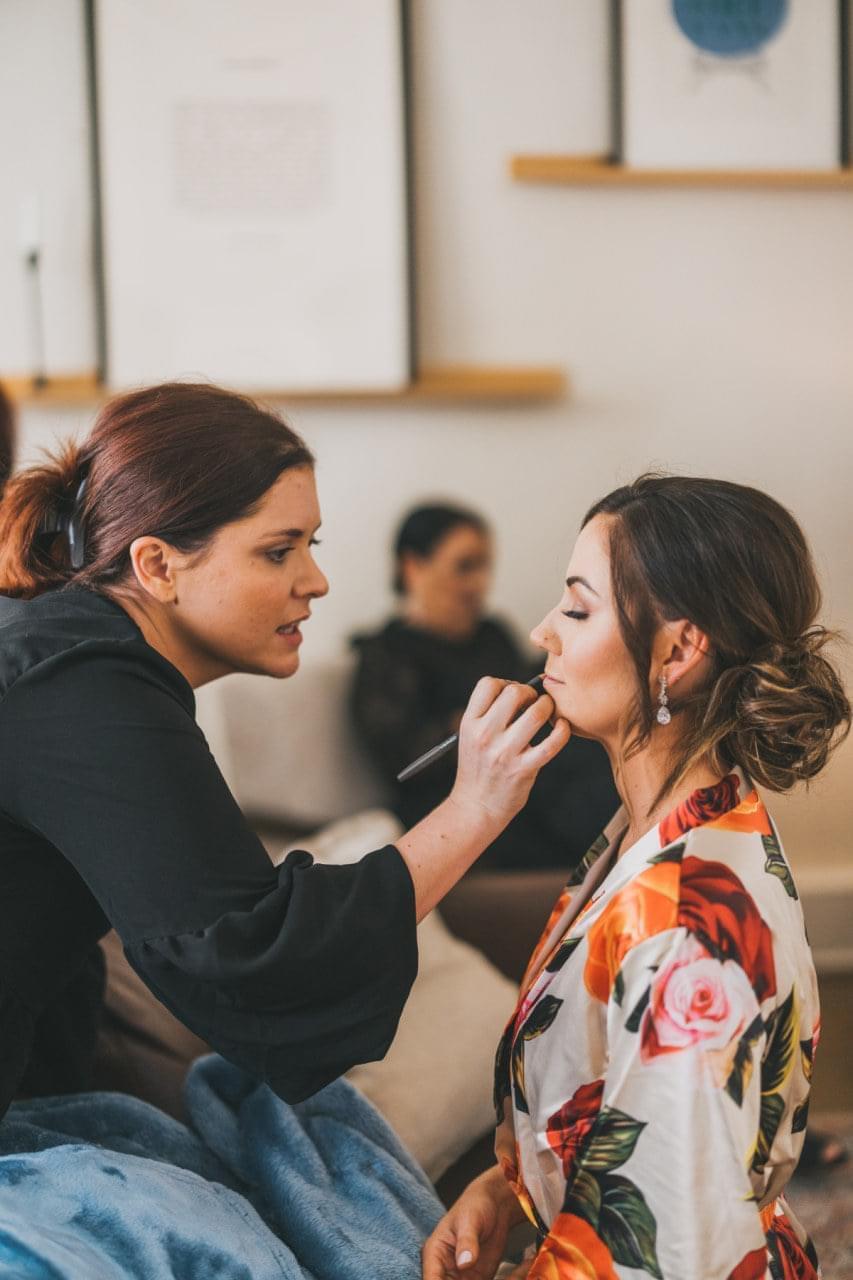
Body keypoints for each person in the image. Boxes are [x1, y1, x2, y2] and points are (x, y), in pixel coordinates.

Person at [0, 382, 568, 1123]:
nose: (316, 582)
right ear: (158, 566)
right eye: (278, 551)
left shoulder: (72, 652)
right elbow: (247, 950)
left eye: (311, 545)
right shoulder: (81, 682)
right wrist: (475, 806)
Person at [423, 475, 850, 1280]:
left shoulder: (683, 930)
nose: (542, 632)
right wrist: (510, 1189)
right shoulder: (667, 823)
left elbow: (664, 1254)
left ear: (676, 653)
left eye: (576, 609)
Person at [351, 503, 619, 870]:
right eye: (465, 566)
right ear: (412, 566)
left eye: (484, 567)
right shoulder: (386, 654)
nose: (480, 583)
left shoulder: (493, 634)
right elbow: (403, 756)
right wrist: (478, 723)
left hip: (542, 771)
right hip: (462, 800)